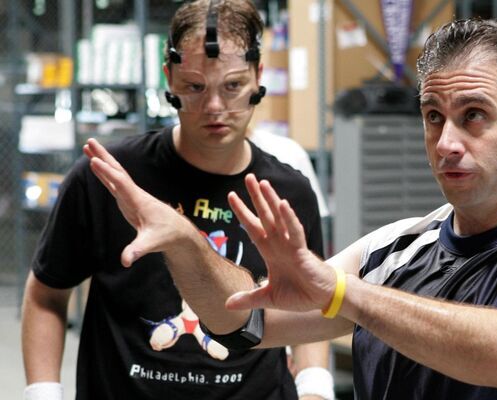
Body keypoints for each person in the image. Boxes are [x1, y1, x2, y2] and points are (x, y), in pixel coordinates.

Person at [82, 18, 497, 399]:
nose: (446, 142)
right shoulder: (396, 249)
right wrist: (186, 244)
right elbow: (244, 324)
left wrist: (344, 295)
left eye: (474, 116)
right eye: (433, 117)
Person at [21, 1, 334, 399]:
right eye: (195, 86)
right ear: (169, 79)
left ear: (258, 77)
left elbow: (311, 303)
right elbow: (46, 293)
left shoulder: (287, 192)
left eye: (232, 86)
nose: (215, 107)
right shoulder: (110, 178)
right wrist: (42, 393)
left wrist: (315, 389)